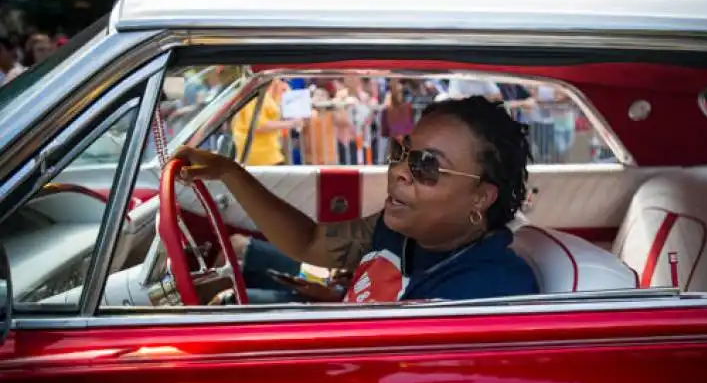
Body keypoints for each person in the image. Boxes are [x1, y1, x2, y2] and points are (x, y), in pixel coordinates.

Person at [176, 96, 538, 304]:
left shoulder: (490, 291)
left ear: (481, 197)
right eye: (401, 152)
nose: (399, 171)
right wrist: (231, 173)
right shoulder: (402, 231)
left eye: (426, 165)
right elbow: (312, 241)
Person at [232, 78, 303, 166]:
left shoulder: (267, 95)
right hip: (258, 156)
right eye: (282, 80)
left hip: (269, 154)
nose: (283, 83)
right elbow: (259, 125)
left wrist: (286, 94)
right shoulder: (254, 97)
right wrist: (291, 123)